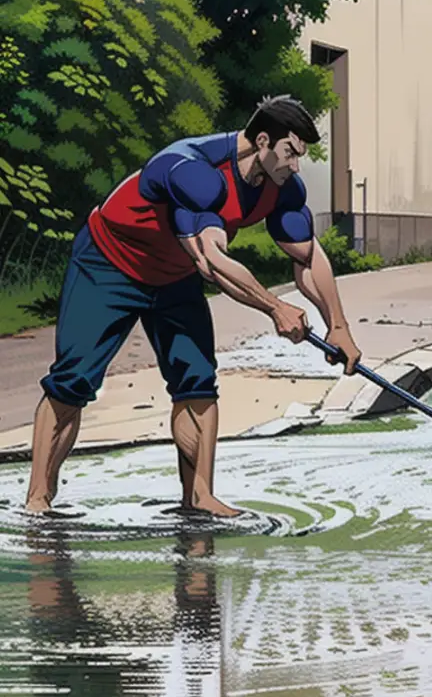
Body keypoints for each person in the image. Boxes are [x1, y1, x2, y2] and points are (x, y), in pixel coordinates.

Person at [25, 95, 363, 517]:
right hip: (109, 263)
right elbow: (211, 261)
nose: (296, 165)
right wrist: (275, 307)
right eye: (290, 152)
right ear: (262, 140)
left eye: (301, 155)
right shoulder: (194, 170)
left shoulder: (281, 188)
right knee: (73, 379)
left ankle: (200, 498)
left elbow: (307, 256)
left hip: (173, 277)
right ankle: (38, 499)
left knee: (198, 380)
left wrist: (338, 325)